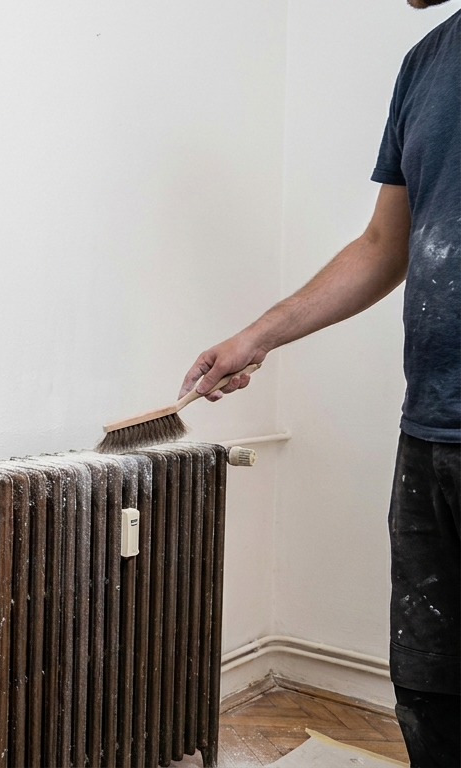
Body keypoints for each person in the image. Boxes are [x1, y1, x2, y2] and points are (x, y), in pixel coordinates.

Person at [180, 2, 458, 764]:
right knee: (432, 689)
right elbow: (381, 244)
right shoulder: (426, 64)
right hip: (431, 431)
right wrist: (255, 338)